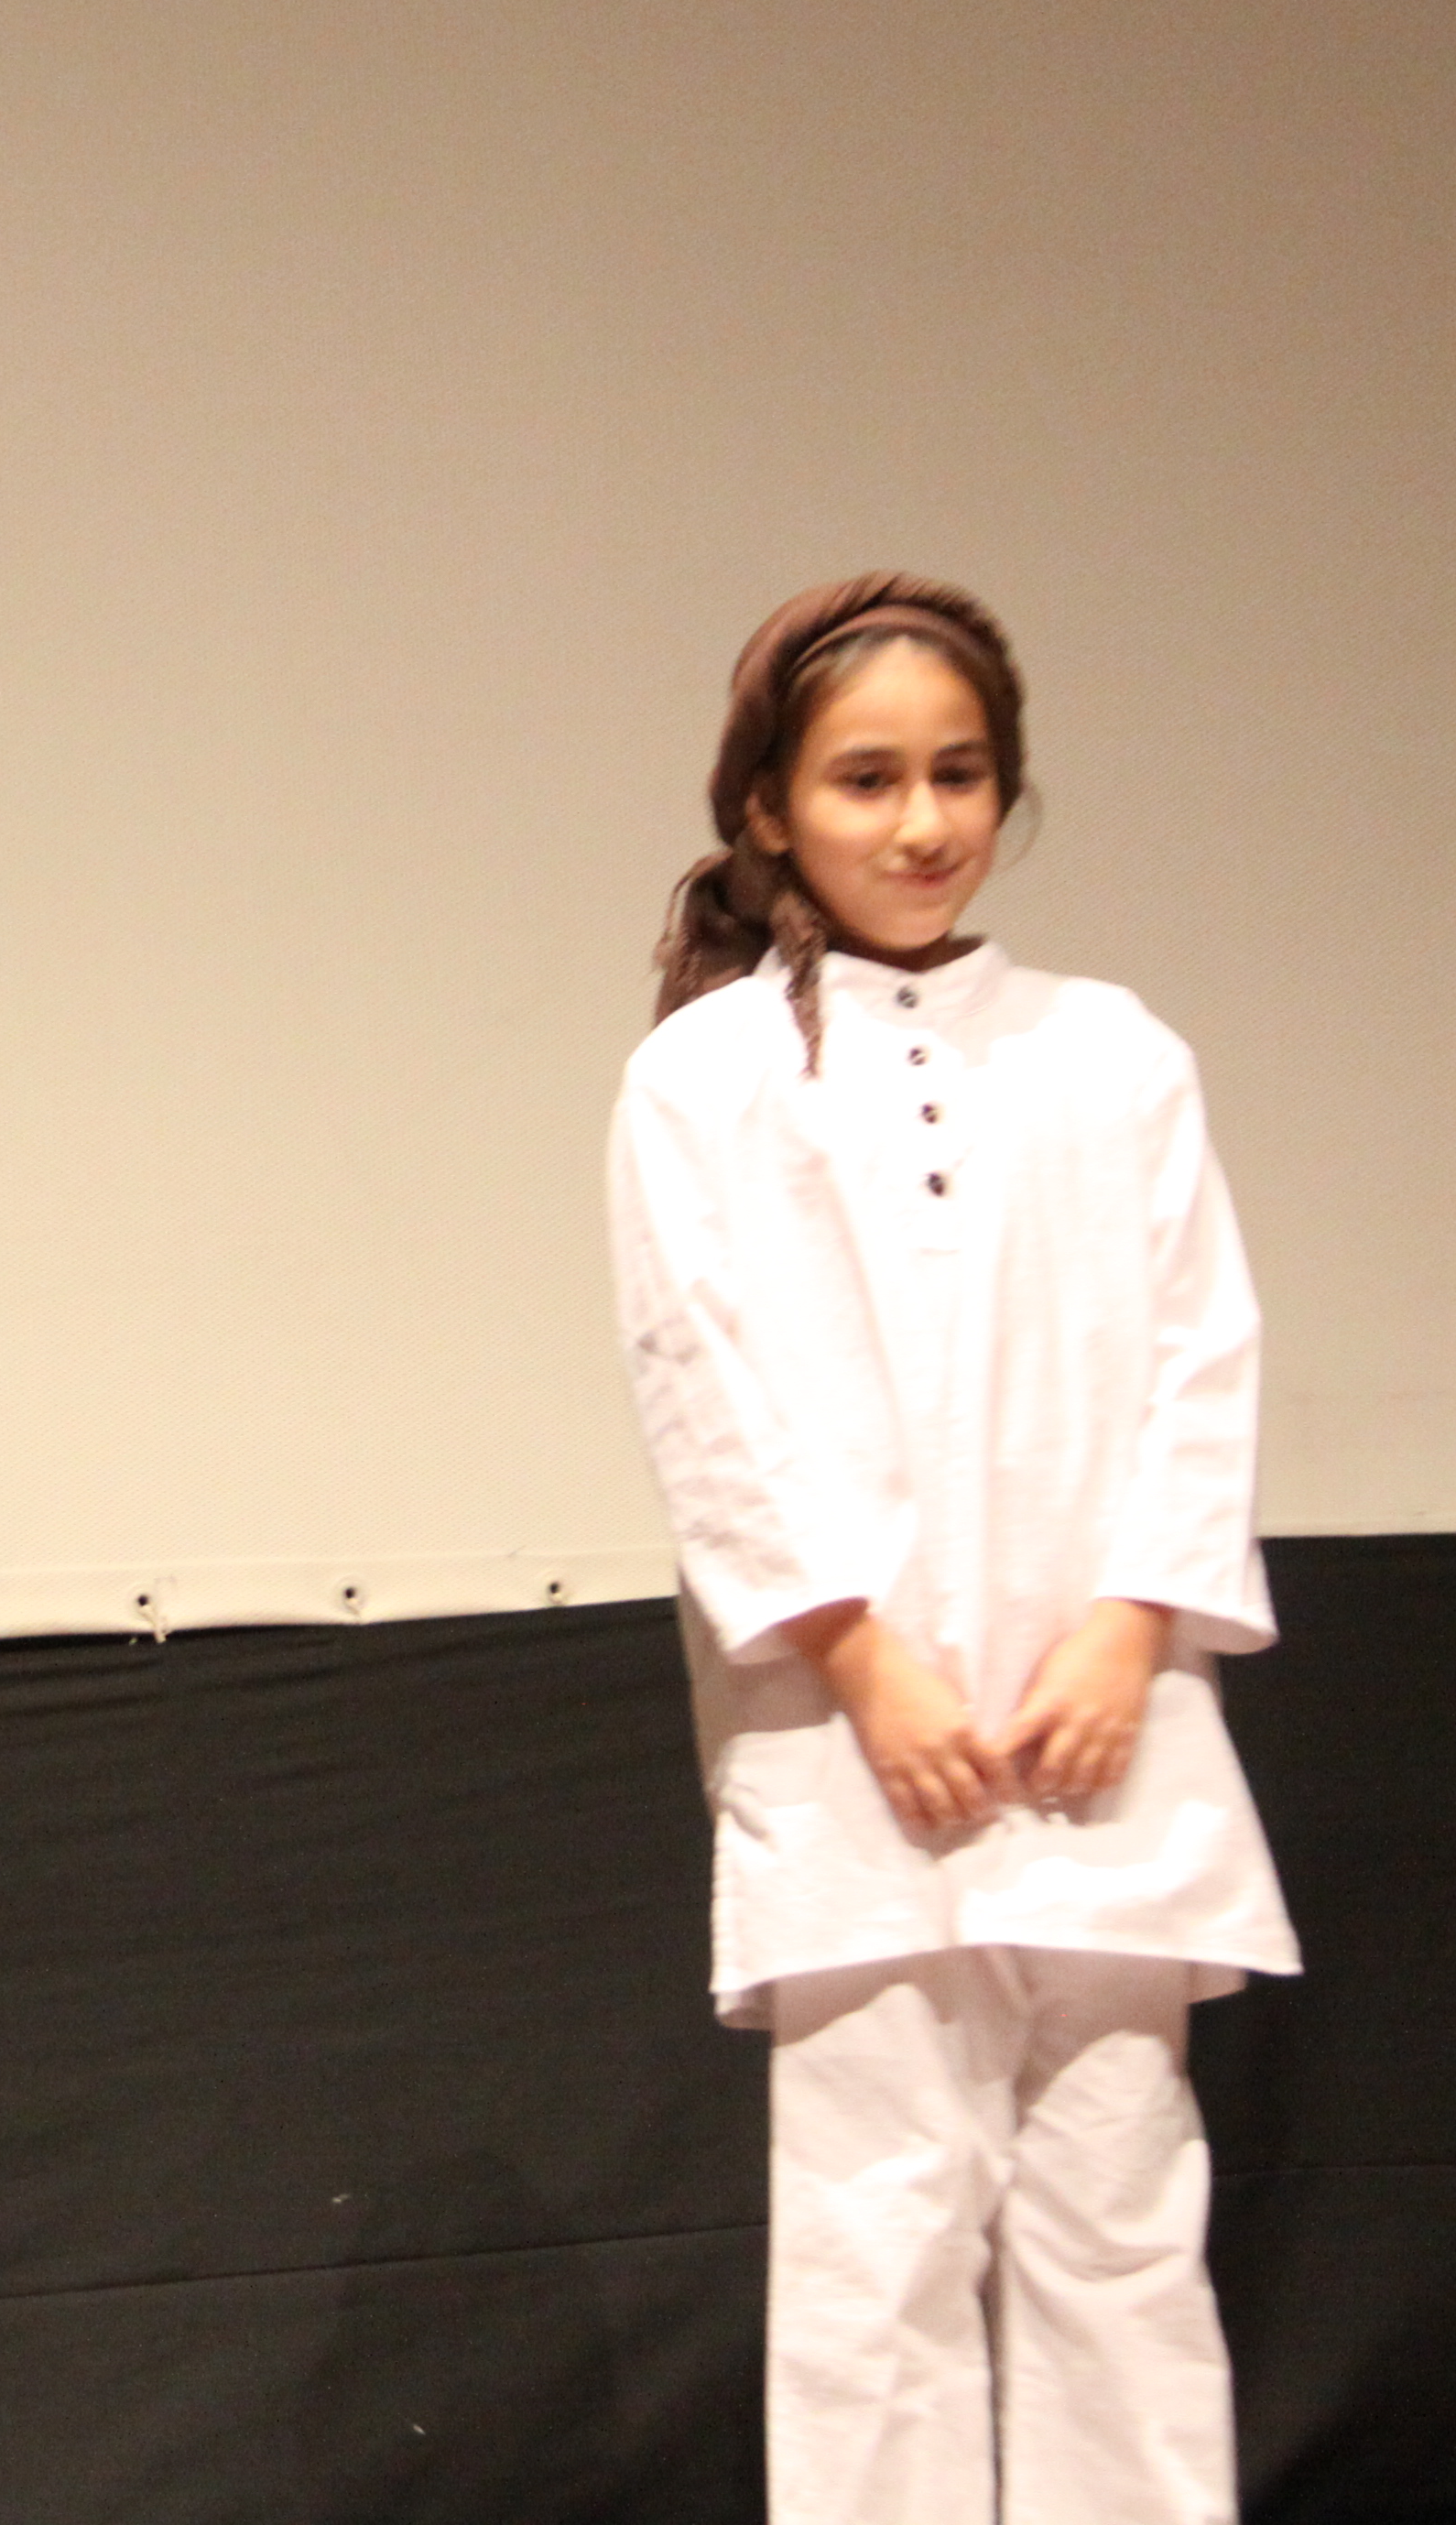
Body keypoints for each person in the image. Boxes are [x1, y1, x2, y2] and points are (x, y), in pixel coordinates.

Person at [604, 575, 1298, 2525]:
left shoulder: (1114, 1053)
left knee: (1121, 2229)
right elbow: (702, 1389)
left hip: (1099, 1724)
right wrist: (863, 1660)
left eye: (961, 773)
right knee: (880, 2248)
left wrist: (1130, 1625)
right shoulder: (705, 1078)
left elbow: (1202, 1351)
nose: (922, 822)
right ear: (769, 808)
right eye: (867, 779)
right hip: (856, 1740)